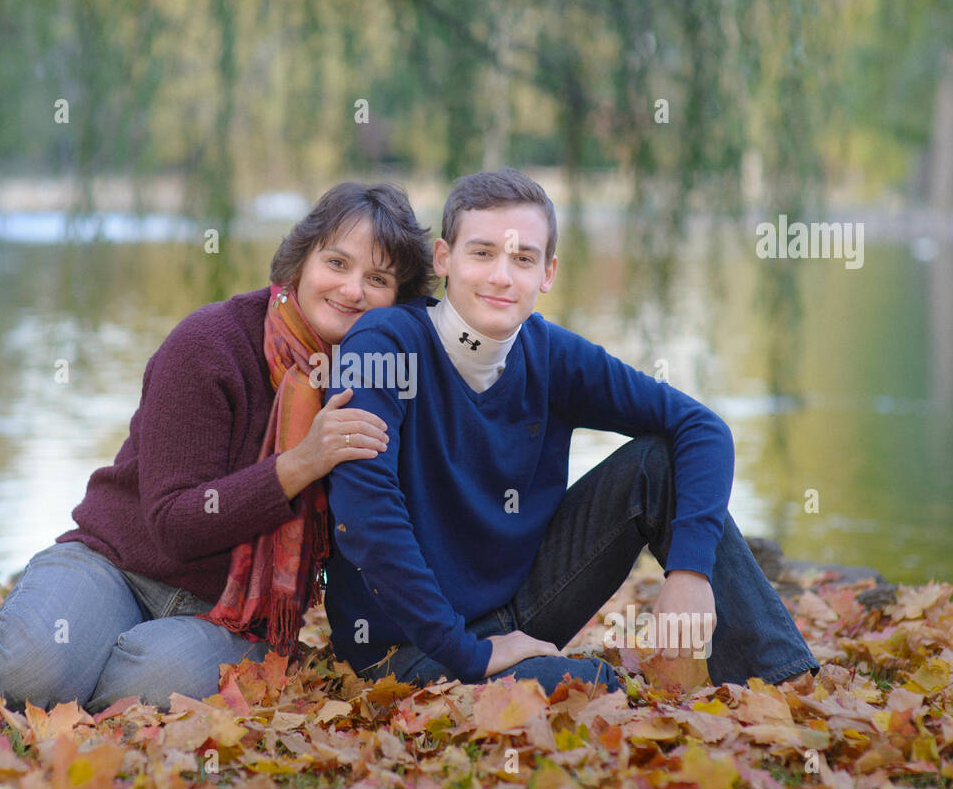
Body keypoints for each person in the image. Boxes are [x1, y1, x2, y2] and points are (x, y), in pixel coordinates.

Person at [0, 181, 436, 716]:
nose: (353, 290)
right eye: (337, 263)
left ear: (399, 301)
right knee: (38, 663)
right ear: (299, 261)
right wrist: (301, 465)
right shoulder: (210, 345)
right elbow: (174, 526)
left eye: (378, 279)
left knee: (150, 688)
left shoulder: (380, 378)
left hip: (228, 615)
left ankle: (55, 673)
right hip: (116, 564)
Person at [323, 168, 820, 694]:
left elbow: (702, 427)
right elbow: (367, 518)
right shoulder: (383, 344)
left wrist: (690, 571)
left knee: (658, 462)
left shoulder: (550, 353)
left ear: (548, 272)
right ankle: (557, 681)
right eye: (483, 253)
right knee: (601, 694)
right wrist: (468, 652)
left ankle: (787, 683)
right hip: (406, 648)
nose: (501, 277)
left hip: (518, 612)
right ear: (444, 259)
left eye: (522, 259)